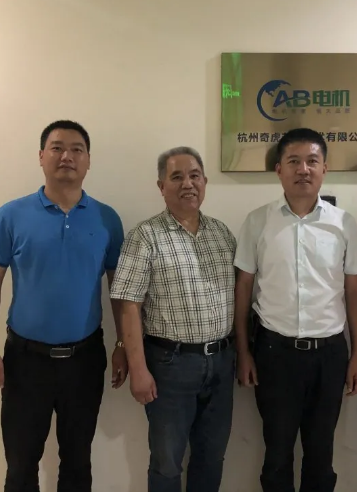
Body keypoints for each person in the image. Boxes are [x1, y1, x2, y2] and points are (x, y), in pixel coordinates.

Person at [0, 120, 127, 492]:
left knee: (77, 463)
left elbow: (120, 291)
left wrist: (123, 345)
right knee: (20, 465)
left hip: (85, 360)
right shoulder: (10, 216)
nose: (67, 156)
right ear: (41, 156)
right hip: (25, 361)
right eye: (57, 147)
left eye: (77, 149)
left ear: (88, 160)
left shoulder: (107, 219)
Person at [234, 128, 357, 492]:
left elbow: (355, 291)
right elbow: (243, 288)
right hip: (274, 353)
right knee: (277, 454)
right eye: (293, 161)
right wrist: (244, 352)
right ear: (279, 169)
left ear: (325, 169)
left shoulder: (343, 223)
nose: (303, 169)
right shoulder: (258, 221)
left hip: (329, 355)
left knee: (321, 455)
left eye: (312, 161)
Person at [109, 146, 237, 492]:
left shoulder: (222, 234)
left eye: (194, 176)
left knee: (212, 457)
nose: (187, 184)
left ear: (205, 181)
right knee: (167, 462)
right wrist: (138, 368)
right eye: (177, 177)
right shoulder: (145, 236)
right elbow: (129, 305)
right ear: (161, 186)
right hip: (170, 365)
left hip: (222, 363)